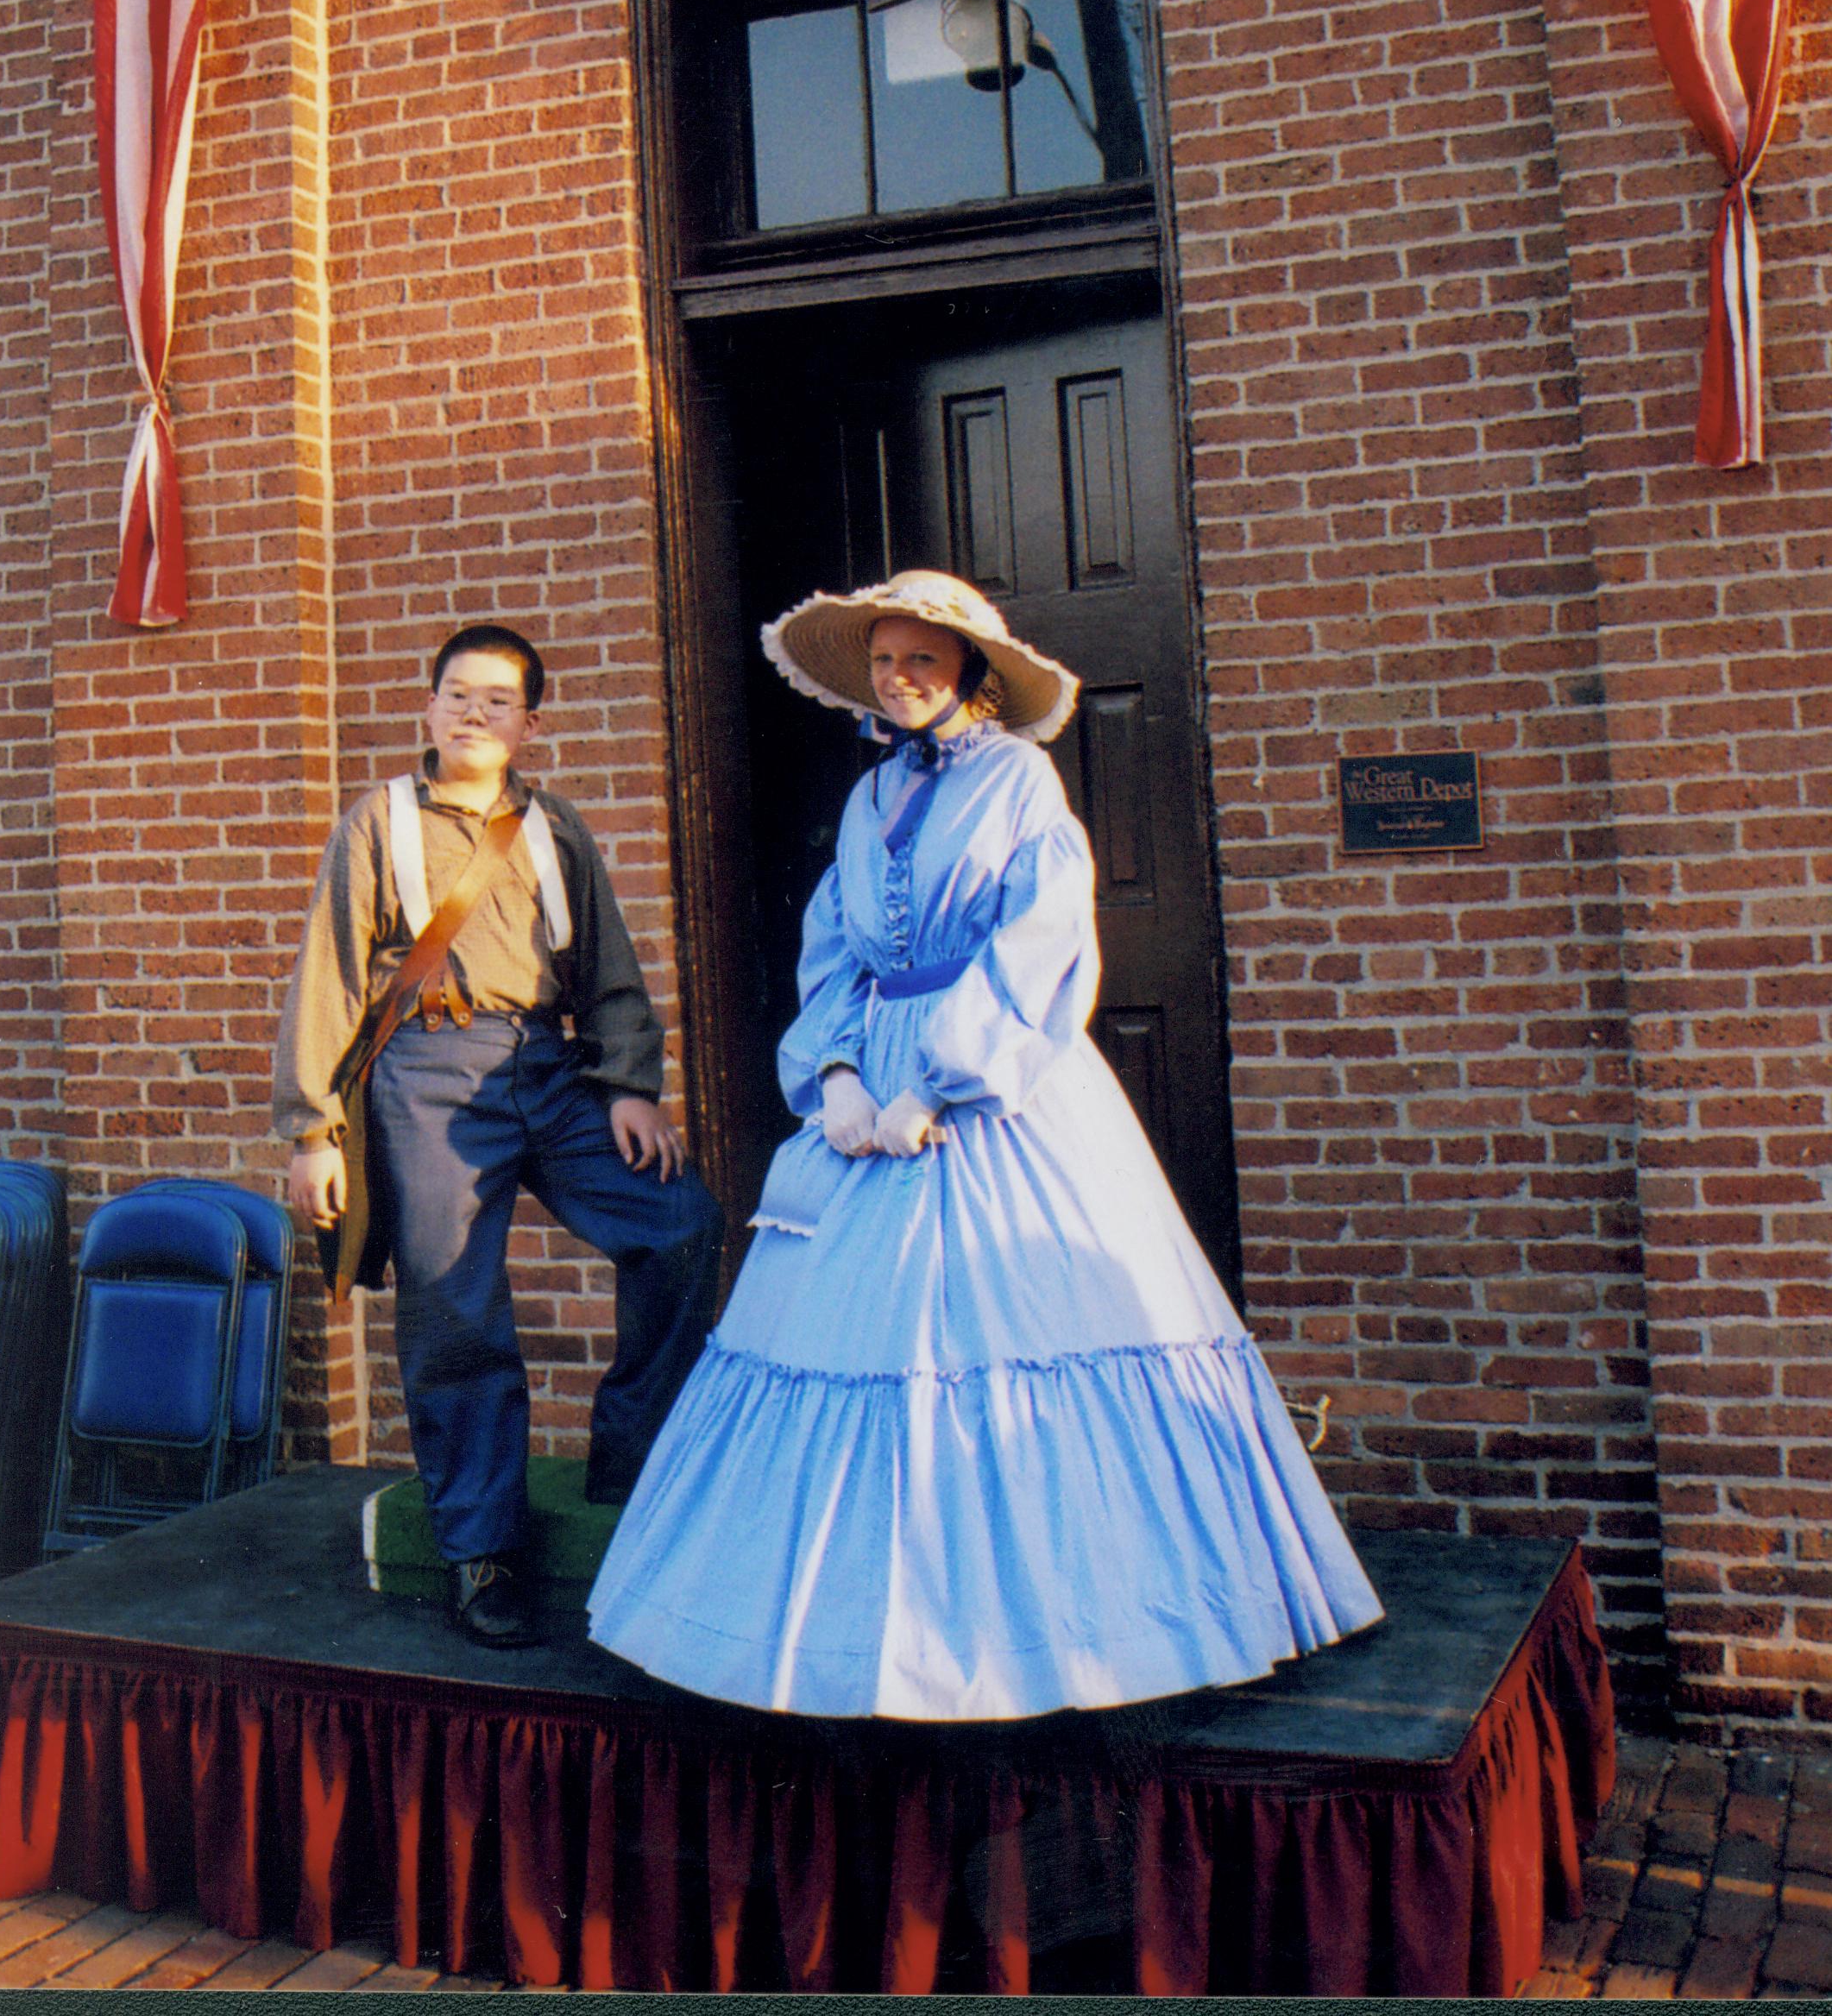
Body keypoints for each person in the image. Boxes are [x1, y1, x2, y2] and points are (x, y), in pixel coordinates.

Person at [589, 570, 1383, 1721]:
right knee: (854, 1336)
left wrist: (935, 1080)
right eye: (883, 662)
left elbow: (1043, 939)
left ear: (969, 672)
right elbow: (836, 956)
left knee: (1010, 1327)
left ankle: (1051, 1641)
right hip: (873, 1099)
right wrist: (844, 1073)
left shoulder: (1018, 779)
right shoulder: (866, 802)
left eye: (921, 660)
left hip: (999, 1083)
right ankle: (858, 1634)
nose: (899, 679)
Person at [275, 621, 722, 1647]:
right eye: (458, 695)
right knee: (454, 1303)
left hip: (549, 1069)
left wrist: (628, 1085)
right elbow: (331, 977)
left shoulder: (556, 828)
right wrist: (314, 1131)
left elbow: (609, 967)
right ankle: (482, 1546)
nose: (476, 714)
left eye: (499, 700)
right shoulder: (378, 822)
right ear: (427, 708)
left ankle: (633, 1452)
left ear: (531, 722)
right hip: (428, 1075)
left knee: (679, 1221)